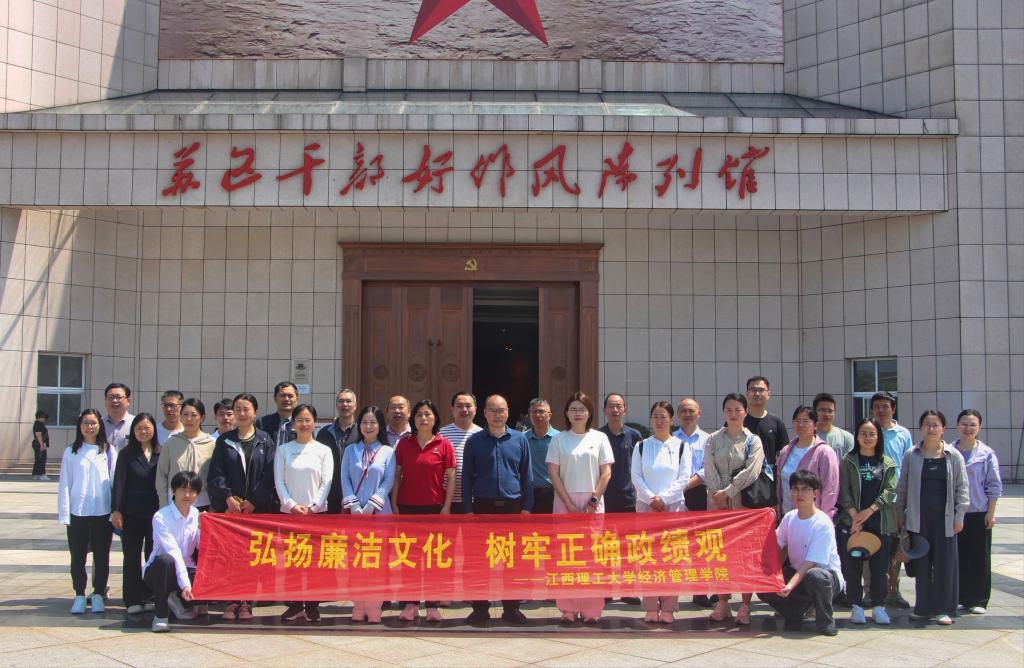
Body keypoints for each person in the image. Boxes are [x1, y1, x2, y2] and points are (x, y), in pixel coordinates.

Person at [462, 394, 533, 625]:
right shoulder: (474, 441)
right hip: (483, 508)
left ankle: (511, 608)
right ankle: (480, 609)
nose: (497, 414)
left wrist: (527, 508)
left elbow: (527, 475)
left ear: (508, 412)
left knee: (511, 562)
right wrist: (468, 510)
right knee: (479, 561)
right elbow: (466, 478)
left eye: (501, 410)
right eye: (492, 410)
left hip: (512, 508)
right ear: (484, 413)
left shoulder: (520, 439)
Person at [207, 393, 278, 621]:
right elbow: (217, 473)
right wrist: (228, 497)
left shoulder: (265, 440)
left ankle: (247, 601)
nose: (241, 413)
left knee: (252, 556)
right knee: (231, 556)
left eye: (246, 409)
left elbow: (269, 474)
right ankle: (232, 599)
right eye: (237, 409)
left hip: (257, 510)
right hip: (232, 510)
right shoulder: (225, 441)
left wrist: (254, 501)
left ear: (255, 412)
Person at [896, 410, 969, 626]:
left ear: (943, 429)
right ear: (921, 428)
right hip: (918, 520)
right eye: (927, 424)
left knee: (945, 565)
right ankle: (923, 608)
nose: (931, 428)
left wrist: (959, 516)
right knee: (922, 566)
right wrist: (900, 516)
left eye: (936, 425)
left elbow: (962, 487)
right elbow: (902, 487)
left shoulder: (953, 455)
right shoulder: (911, 454)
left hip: (945, 520)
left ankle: (944, 609)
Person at [547, 391, 614, 624]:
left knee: (592, 558)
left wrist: (593, 501)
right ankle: (568, 608)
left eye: (582, 409)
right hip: (564, 502)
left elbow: (606, 472)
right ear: (566, 413)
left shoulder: (600, 438)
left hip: (592, 503)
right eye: (573, 409)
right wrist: (567, 502)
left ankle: (592, 609)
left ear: (589, 413)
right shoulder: (558, 439)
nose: (578, 413)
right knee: (567, 557)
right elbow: (553, 473)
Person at [758, 469, 844, 637]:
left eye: (805, 489)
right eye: (796, 489)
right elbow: (774, 546)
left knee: (815, 576)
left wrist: (790, 585)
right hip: (799, 575)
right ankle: (797, 610)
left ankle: (826, 621)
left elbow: (810, 564)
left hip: (825, 577)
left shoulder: (822, 523)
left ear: (815, 493)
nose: (800, 494)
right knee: (763, 584)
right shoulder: (789, 518)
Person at [392, 399, 456, 622]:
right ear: (413, 419)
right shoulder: (404, 444)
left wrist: (447, 506)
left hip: (434, 508)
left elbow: (451, 477)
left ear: (435, 418)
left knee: (433, 558)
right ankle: (410, 604)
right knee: (408, 558)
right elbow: (397, 475)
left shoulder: (444, 444)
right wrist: (394, 503)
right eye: (419, 414)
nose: (423, 418)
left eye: (428, 414)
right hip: (408, 507)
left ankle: (432, 605)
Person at [704, 392, 765, 625]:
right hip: (716, 504)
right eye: (728, 410)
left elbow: (753, 471)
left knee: (744, 554)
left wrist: (728, 491)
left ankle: (745, 604)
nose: (733, 414)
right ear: (723, 413)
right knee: (718, 554)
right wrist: (717, 492)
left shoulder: (753, 441)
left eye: (737, 409)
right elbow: (708, 467)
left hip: (742, 505)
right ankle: (722, 602)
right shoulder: (712, 439)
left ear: (745, 412)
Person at [632, 401, 691, 623]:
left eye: (663, 416)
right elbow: (635, 476)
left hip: (672, 506)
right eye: (655, 416)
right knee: (647, 557)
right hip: (646, 506)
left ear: (671, 419)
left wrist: (664, 498)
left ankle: (669, 606)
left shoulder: (681, 446)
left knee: (671, 557)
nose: (659, 421)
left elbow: (684, 477)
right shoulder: (641, 446)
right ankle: (650, 606)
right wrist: (651, 498)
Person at [275, 403, 333, 623]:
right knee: (293, 562)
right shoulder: (284, 450)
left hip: (316, 515)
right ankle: (295, 605)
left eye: (308, 420)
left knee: (316, 562)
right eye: (299, 420)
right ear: (293, 424)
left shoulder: (323, 450)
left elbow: (327, 480)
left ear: (314, 423)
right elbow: (279, 481)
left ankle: (312, 605)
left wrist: (314, 506)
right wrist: (291, 504)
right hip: (290, 515)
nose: (304, 424)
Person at [837, 418, 896, 625]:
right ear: (857, 436)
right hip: (853, 523)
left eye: (872, 434)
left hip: (879, 521)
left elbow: (890, 490)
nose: (868, 437)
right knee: (852, 566)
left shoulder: (886, 463)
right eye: (863, 433)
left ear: (878, 437)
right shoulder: (848, 460)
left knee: (879, 568)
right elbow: (843, 490)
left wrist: (869, 511)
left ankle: (879, 606)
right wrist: (855, 516)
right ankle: (856, 605)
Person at [58, 409, 117, 614]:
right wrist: (65, 512)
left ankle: (99, 593)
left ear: (100, 425)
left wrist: (115, 510)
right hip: (78, 512)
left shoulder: (108, 451)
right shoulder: (71, 452)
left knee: (101, 556)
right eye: (85, 423)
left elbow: (115, 481)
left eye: (93, 423)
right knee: (78, 556)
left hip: (103, 512)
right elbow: (65, 483)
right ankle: (79, 595)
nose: (89, 427)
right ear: (79, 426)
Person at [341, 405, 396, 624]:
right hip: (355, 516)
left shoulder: (388, 452)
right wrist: (354, 504)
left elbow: (388, 481)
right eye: (364, 422)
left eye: (373, 422)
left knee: (376, 562)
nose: (368, 426)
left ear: (380, 425)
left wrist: (372, 504)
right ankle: (358, 604)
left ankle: (374, 606)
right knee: (356, 562)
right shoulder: (350, 450)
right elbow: (344, 478)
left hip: (379, 515)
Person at [111, 413, 162, 615]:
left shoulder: (161, 452)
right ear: (133, 431)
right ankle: (132, 598)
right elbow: (119, 483)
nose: (143, 431)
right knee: (131, 556)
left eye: (147, 428)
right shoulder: (126, 454)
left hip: (155, 512)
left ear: (154, 430)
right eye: (139, 428)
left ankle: (150, 595)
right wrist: (116, 509)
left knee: (152, 555)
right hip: (131, 512)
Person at [953, 409, 1002, 615]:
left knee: (979, 558)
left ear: (979, 427)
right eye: (964, 423)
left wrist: (991, 512)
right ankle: (961, 597)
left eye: (972, 424)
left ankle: (979, 599)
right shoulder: (949, 451)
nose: (968, 428)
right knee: (959, 557)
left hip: (978, 512)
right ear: (957, 425)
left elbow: (994, 485)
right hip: (955, 514)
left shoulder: (986, 453)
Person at [144, 471, 203, 633]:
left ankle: (177, 598)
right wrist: (186, 585)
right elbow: (173, 551)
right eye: (183, 489)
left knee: (208, 587)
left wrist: (202, 527)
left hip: (187, 568)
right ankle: (161, 616)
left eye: (192, 491)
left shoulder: (195, 513)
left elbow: (200, 545)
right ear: (173, 491)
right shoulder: (161, 517)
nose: (187, 495)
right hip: (161, 571)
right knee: (166, 560)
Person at [871, 390, 914, 608]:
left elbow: (908, 466)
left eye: (885, 406)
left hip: (896, 499)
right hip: (872, 498)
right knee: (873, 544)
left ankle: (894, 589)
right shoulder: (868, 431)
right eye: (877, 406)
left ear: (893, 409)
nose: (881, 410)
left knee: (896, 545)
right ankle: (872, 590)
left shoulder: (903, 434)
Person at [674, 397, 712, 606]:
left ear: (699, 413)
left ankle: (700, 591)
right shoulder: (671, 439)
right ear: (678, 415)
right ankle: (670, 592)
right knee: (675, 542)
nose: (687, 414)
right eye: (684, 411)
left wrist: (688, 484)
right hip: (675, 495)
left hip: (699, 492)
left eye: (691, 411)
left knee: (700, 544)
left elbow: (708, 467)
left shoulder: (708, 439)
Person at [775, 406, 839, 518]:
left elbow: (831, 489)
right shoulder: (785, 451)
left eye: (805, 421)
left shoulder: (824, 452)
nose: (800, 425)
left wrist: (825, 518)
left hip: (813, 519)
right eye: (797, 421)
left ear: (815, 425)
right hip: (787, 517)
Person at [155, 399, 216, 511]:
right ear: (180, 416)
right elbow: (161, 476)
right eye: (185, 415)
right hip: (175, 503)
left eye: (194, 415)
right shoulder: (171, 443)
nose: (189, 419)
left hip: (204, 504)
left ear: (202, 418)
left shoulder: (212, 443)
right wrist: (163, 504)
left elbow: (216, 477)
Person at [317, 388, 361, 514]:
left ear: (355, 406)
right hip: (329, 493)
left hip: (355, 493)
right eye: (341, 401)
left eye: (348, 401)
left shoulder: (362, 432)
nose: (345, 404)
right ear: (336, 405)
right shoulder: (324, 433)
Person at [438, 391, 482, 514]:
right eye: (459, 406)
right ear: (452, 410)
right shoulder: (442, 434)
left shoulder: (482, 435)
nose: (464, 410)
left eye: (468, 406)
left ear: (476, 409)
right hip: (447, 502)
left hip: (475, 501)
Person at [599, 393, 643, 514]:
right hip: (604, 499)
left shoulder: (634, 435)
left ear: (625, 410)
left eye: (619, 406)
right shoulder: (598, 436)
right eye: (611, 406)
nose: (615, 410)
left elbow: (641, 467)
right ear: (604, 410)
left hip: (629, 499)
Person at [743, 376, 789, 467]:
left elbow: (784, 455)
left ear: (768, 394)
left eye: (761, 390)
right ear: (747, 394)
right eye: (753, 390)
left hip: (768, 474)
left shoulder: (777, 423)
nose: (757, 393)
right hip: (743, 474)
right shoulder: (738, 421)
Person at [524, 397, 558, 514]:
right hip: (528, 494)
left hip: (553, 493)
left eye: (541, 411)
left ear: (549, 415)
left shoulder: (559, 438)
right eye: (534, 412)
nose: (537, 415)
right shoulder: (522, 439)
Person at [255, 381, 298, 446]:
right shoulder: (262, 423)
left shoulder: (302, 424)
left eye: (290, 396)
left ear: (297, 399)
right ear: (275, 398)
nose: (286, 399)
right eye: (282, 395)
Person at [813, 393, 854, 461]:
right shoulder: (806, 437)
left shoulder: (846, 437)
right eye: (823, 410)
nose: (826, 414)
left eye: (830, 411)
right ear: (815, 411)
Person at [102, 382, 134, 452]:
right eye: (111, 397)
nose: (114, 400)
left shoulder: (136, 423)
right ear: (105, 400)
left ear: (128, 401)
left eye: (118, 397)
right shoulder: (99, 425)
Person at [31, 410, 50, 480]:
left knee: (38, 459)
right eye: (44, 417)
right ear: (40, 417)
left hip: (38, 443)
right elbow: (38, 435)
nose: (44, 419)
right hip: (39, 444)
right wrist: (42, 445)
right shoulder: (38, 424)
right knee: (42, 459)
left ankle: (36, 474)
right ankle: (42, 474)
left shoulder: (38, 424)